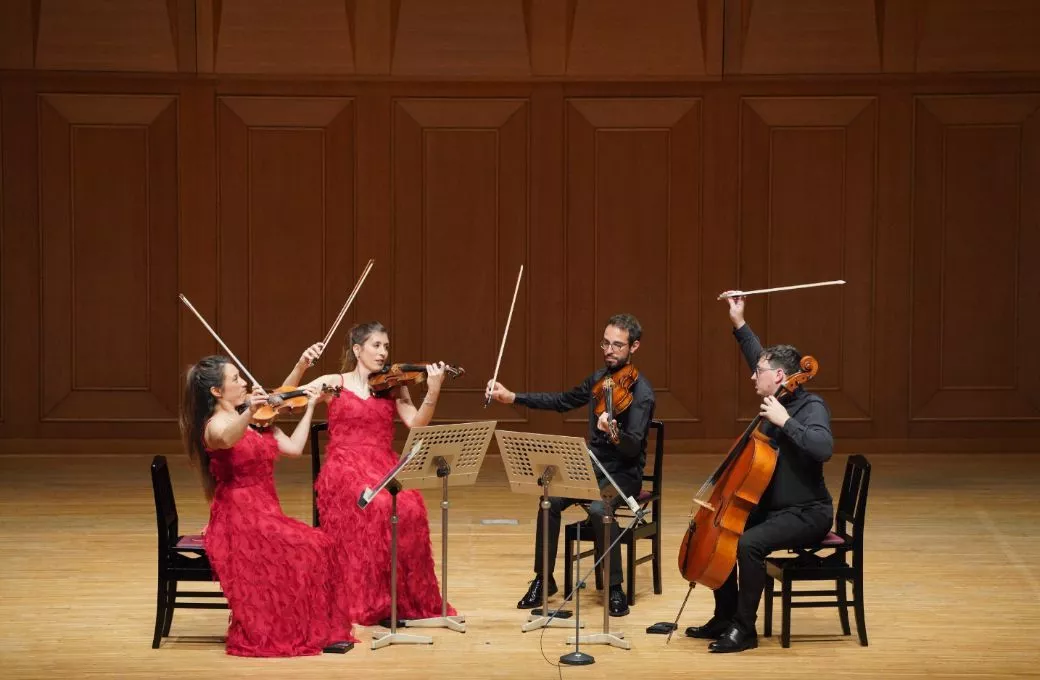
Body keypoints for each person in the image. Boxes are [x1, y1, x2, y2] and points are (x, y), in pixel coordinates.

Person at [684, 294, 834, 653]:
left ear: (780, 377)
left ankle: (744, 630)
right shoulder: (776, 393)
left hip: (807, 512)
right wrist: (739, 322)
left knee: (750, 544)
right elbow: (759, 357)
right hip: (774, 508)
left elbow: (823, 447)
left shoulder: (810, 406)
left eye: (759, 372)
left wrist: (787, 422)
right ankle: (724, 616)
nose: (753, 374)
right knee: (726, 534)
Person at [180, 355, 356, 656]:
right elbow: (225, 438)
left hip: (266, 510)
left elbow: (294, 448)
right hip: (239, 516)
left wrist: (309, 406)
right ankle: (289, 628)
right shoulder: (215, 425)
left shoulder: (257, 421)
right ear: (216, 392)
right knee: (308, 546)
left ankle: (310, 627)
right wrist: (248, 411)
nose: (244, 382)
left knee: (322, 543)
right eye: (235, 379)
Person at [485, 313, 654, 617]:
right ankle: (543, 579)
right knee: (548, 500)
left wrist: (612, 433)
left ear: (634, 347)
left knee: (601, 509)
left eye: (617, 345)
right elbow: (562, 401)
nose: (609, 350)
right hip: (588, 469)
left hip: (623, 474)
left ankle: (615, 587)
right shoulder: (599, 380)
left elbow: (632, 447)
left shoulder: (642, 393)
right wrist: (514, 398)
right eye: (606, 343)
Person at [287, 323, 455, 626]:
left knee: (411, 508)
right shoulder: (333, 383)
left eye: (386, 346)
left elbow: (416, 424)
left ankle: (400, 598)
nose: (383, 353)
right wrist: (301, 366)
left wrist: (434, 390)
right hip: (343, 468)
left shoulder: (392, 385)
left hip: (382, 464)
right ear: (357, 350)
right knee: (376, 507)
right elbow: (287, 399)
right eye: (376, 345)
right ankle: (365, 598)